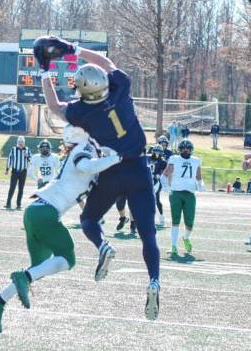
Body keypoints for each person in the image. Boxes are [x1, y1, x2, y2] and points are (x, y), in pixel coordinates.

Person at [37, 35, 160, 320]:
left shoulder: (82, 111)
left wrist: (45, 72)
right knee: (148, 234)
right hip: (139, 168)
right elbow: (105, 62)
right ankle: (153, 279)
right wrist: (73, 49)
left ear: (82, 91)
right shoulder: (121, 87)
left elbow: (55, 107)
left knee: (89, 220)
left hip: (110, 171)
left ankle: (103, 245)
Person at [0, 124, 122, 333]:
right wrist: (116, 157)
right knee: (67, 258)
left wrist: (114, 158)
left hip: (35, 212)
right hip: (46, 213)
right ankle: (19, 281)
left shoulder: (84, 150)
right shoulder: (84, 149)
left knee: (37, 269)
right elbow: (86, 166)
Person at [161, 139, 204, 256]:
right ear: (180, 149)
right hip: (176, 193)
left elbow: (198, 175)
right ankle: (173, 246)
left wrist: (201, 184)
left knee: (189, 223)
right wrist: (165, 186)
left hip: (190, 194)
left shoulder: (196, 161)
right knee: (175, 221)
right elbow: (165, 174)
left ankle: (185, 237)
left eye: (188, 148)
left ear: (191, 150)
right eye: (183, 148)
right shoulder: (175, 159)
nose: (185, 150)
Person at [4, 136, 31, 210]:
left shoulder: (27, 149)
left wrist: (27, 156)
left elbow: (31, 159)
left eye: (22, 142)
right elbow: (10, 158)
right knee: (12, 187)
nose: (21, 143)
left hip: (23, 171)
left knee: (21, 189)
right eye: (19, 142)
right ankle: (8, 203)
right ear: (17, 142)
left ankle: (19, 204)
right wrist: (7, 169)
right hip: (15, 171)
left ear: (24, 143)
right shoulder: (13, 149)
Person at [148, 145, 168, 226]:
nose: (157, 153)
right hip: (147, 181)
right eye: (155, 151)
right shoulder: (147, 158)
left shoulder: (162, 161)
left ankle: (161, 218)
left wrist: (158, 175)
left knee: (156, 200)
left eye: (159, 151)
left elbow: (162, 172)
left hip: (156, 183)